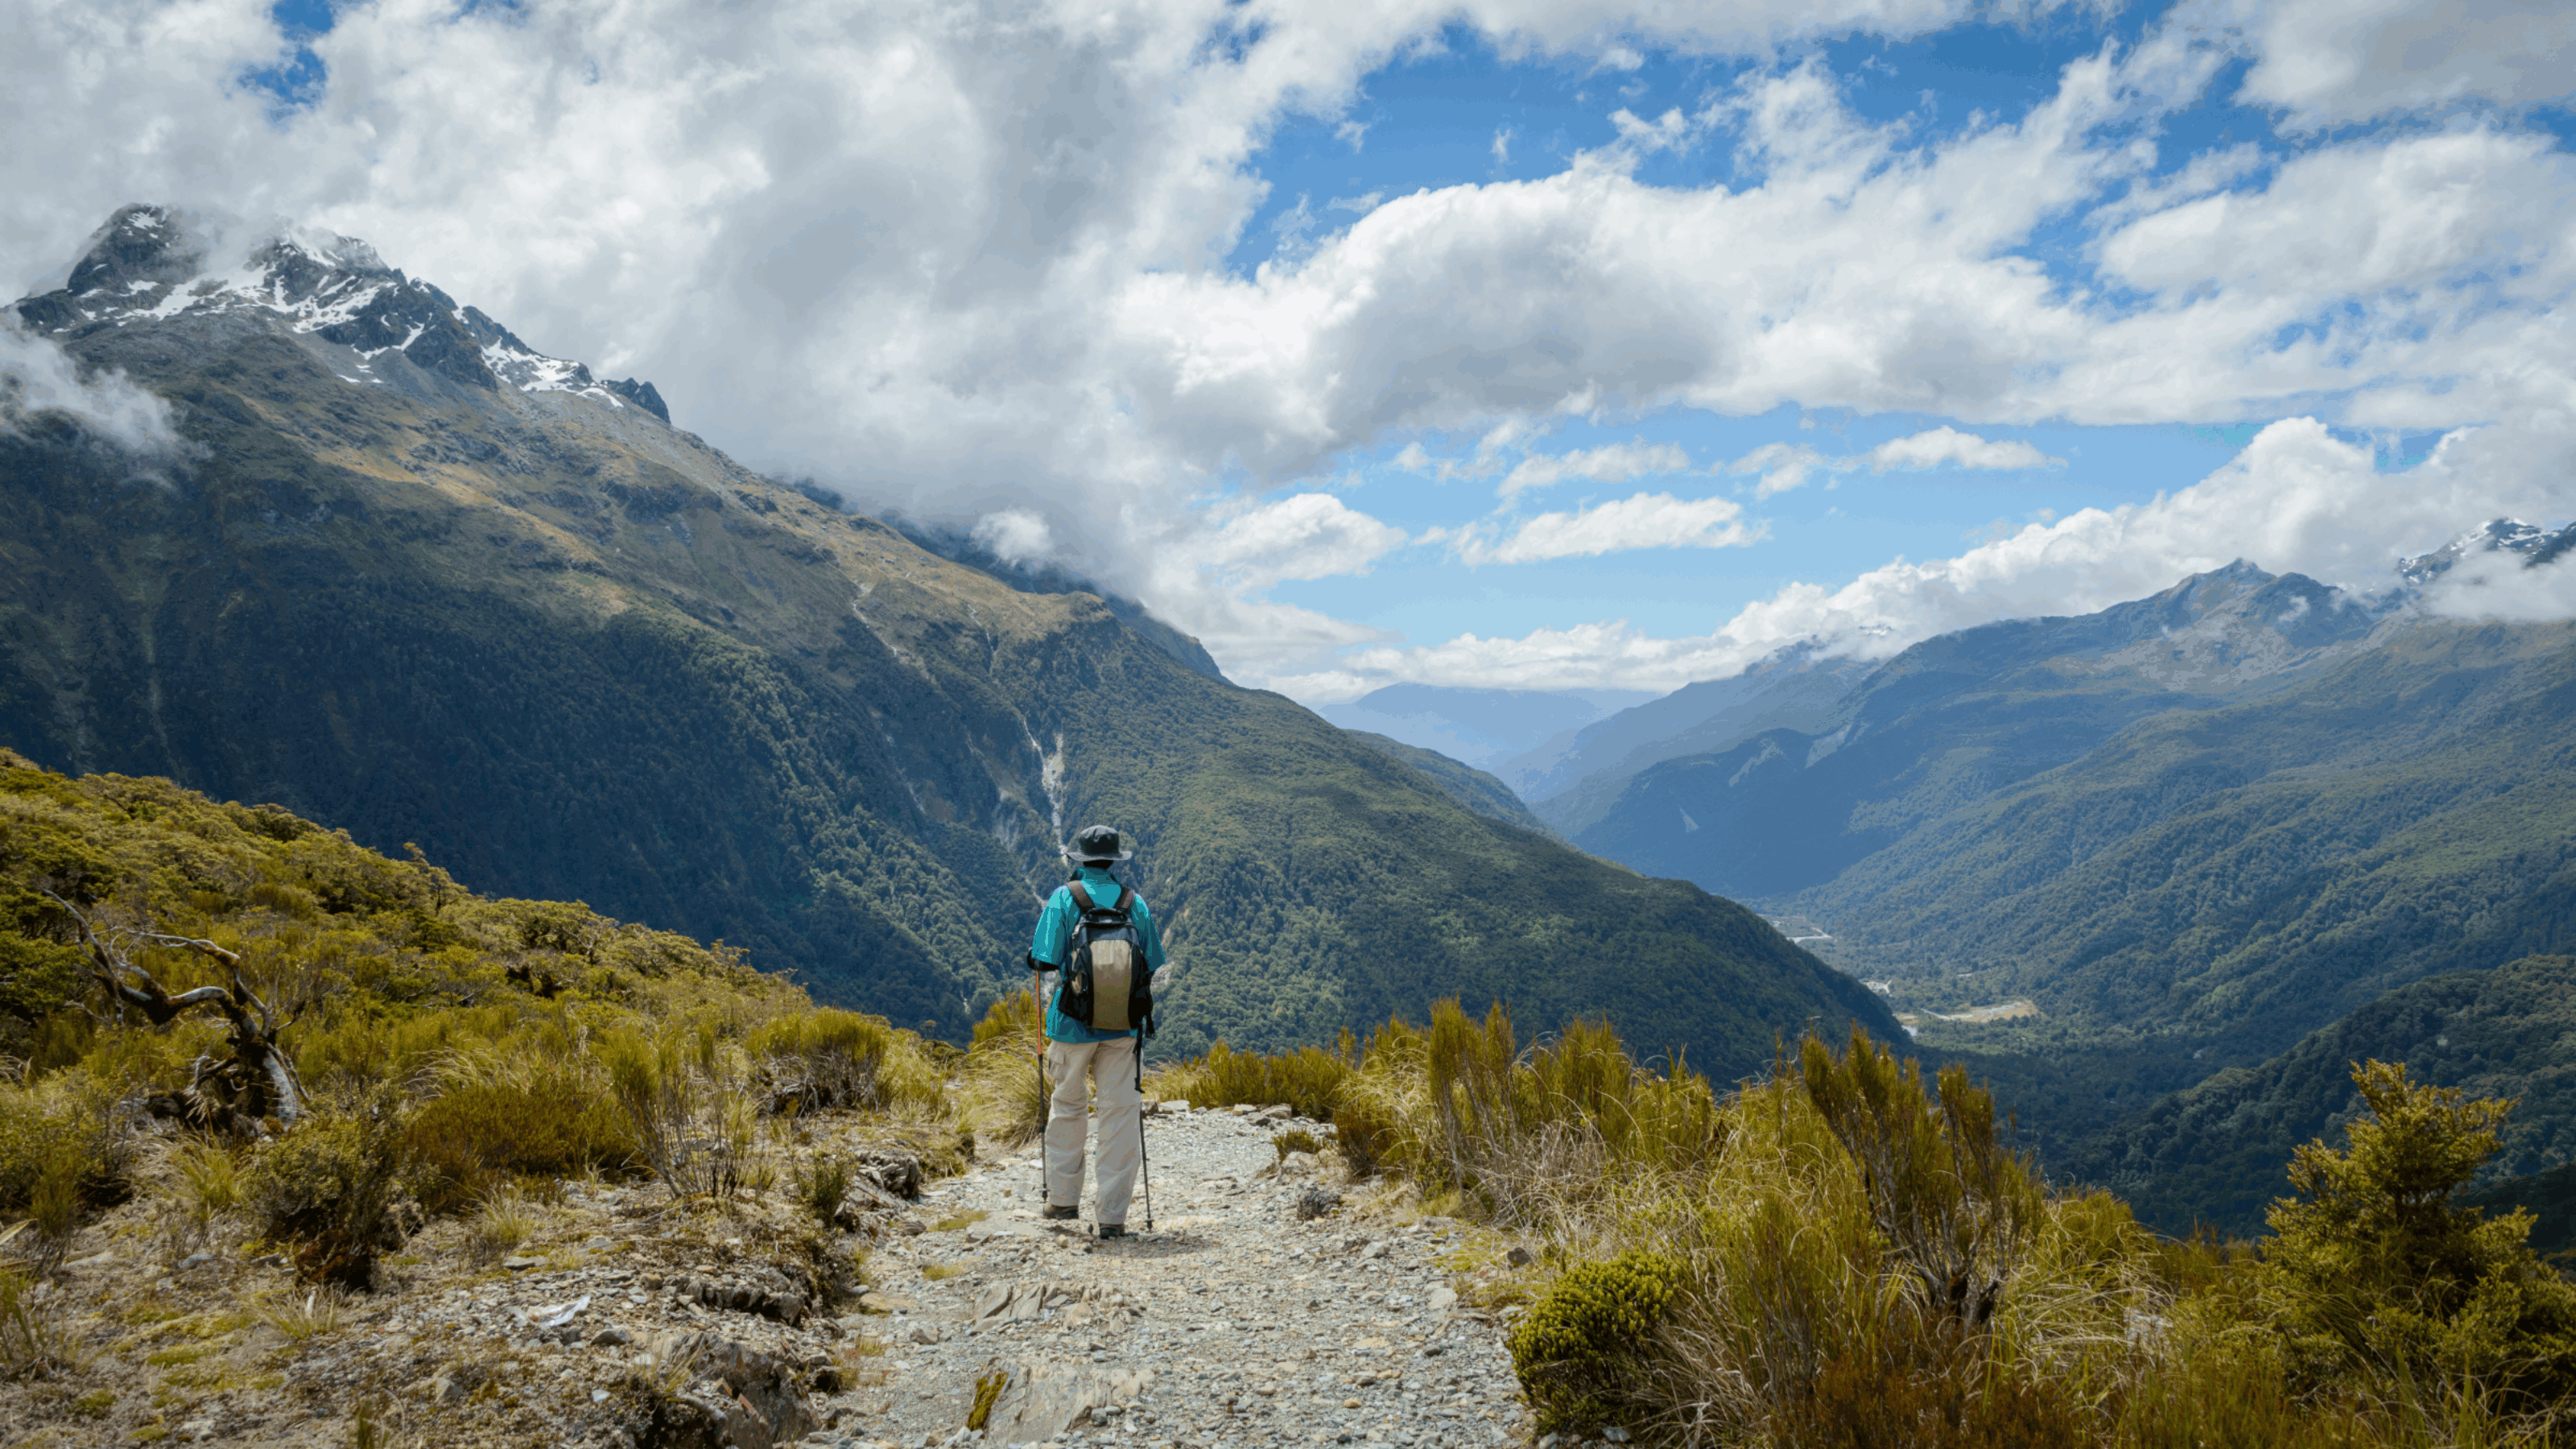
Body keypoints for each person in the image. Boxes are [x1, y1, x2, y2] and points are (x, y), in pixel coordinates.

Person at [1026, 824, 1168, 1238]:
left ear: (1081, 860)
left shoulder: (1062, 898)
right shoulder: (1133, 903)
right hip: (1123, 1028)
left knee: (1068, 1109)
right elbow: (1153, 960)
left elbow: (1045, 961)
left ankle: (1063, 1201)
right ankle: (1112, 1217)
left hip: (1070, 1027)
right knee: (1120, 1116)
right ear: (1114, 861)